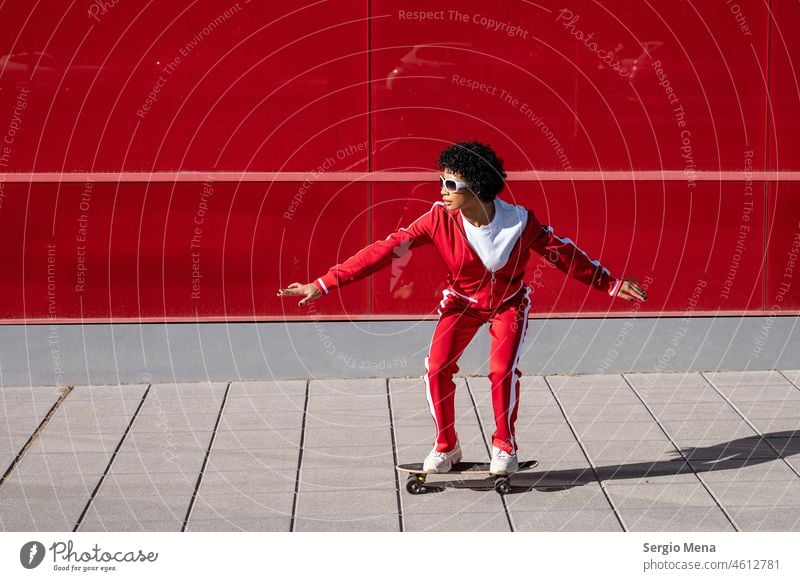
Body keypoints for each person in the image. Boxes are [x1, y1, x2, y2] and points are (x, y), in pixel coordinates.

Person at [277, 141, 647, 475]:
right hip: (461, 305)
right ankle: (446, 446)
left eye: (451, 184)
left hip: (508, 304)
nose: (443, 190)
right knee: (436, 368)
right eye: (442, 180)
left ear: (478, 187)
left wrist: (609, 283)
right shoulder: (438, 219)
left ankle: (504, 446)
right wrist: (323, 283)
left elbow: (564, 255)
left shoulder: (519, 223)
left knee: (502, 370)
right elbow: (386, 249)